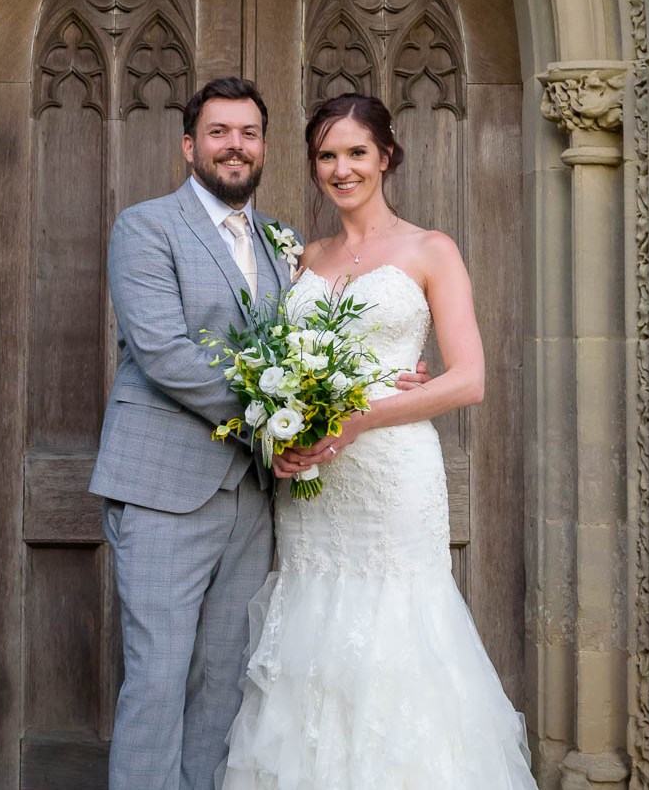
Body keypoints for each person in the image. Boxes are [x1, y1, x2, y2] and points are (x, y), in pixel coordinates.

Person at [90, 77, 430, 790]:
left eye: (247, 133)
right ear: (191, 146)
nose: (234, 146)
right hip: (163, 489)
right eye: (218, 132)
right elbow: (165, 354)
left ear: (264, 147)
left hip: (252, 497)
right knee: (158, 676)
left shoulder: (286, 245)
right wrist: (283, 427)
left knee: (224, 681)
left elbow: (317, 344)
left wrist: (381, 378)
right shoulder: (146, 227)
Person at [219, 92, 538, 789]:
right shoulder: (301, 257)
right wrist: (287, 437)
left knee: (397, 630)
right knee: (313, 633)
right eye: (327, 155)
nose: (341, 169)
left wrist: (358, 418)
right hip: (314, 490)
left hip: (393, 478)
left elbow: (469, 381)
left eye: (356, 152)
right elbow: (276, 366)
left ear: (386, 157)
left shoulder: (431, 249)